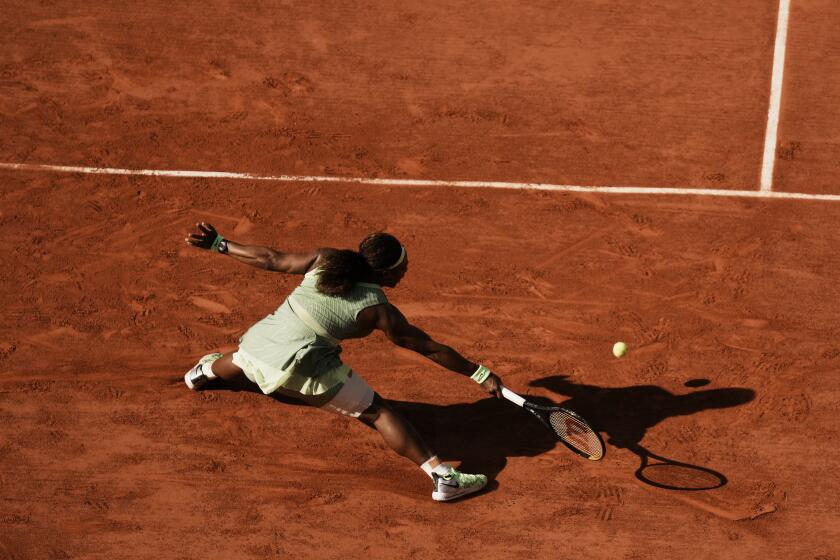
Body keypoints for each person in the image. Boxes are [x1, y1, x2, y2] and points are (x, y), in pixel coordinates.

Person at [183, 222, 504, 501]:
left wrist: (219, 244)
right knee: (380, 412)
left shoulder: (326, 259)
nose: (406, 270)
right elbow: (429, 348)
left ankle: (202, 373)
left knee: (244, 358)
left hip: (259, 341)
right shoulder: (378, 309)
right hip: (299, 365)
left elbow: (271, 258)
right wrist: (479, 373)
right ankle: (442, 477)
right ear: (384, 272)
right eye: (402, 266)